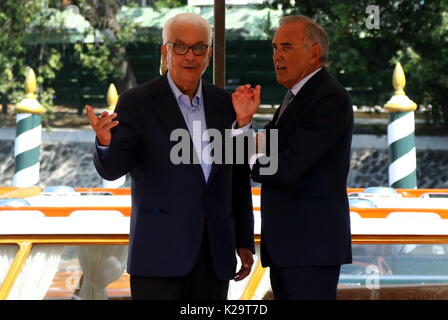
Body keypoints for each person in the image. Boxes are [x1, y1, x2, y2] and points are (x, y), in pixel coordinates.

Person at [86, 12, 254, 300]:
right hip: (158, 256)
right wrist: (104, 142)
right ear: (165, 52)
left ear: (208, 55)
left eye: (199, 47)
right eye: (180, 46)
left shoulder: (227, 105)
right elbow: (113, 170)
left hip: (215, 256)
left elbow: (237, 181)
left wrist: (244, 241)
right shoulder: (137, 102)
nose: (190, 55)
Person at [232, 15, 353, 300]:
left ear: (314, 53)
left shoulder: (328, 97)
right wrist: (243, 122)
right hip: (290, 250)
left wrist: (249, 147)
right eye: (274, 48)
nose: (276, 56)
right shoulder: (295, 97)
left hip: (310, 249)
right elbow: (264, 153)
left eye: (286, 47)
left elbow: (286, 167)